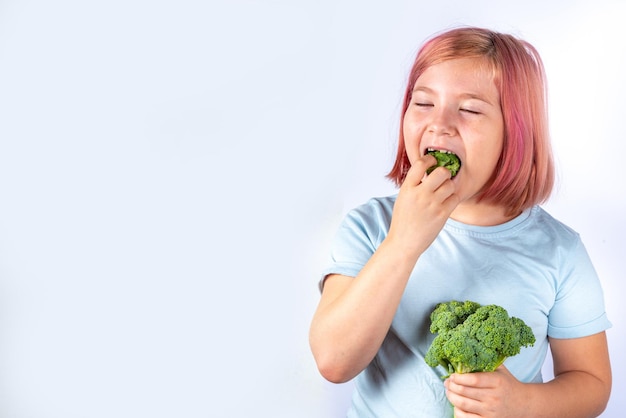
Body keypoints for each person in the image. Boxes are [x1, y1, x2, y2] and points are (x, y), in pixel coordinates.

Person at [309, 27, 612, 418]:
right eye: (423, 103)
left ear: (515, 134)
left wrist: (523, 403)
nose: (440, 124)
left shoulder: (560, 251)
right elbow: (334, 361)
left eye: (469, 109)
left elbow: (592, 383)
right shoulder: (370, 226)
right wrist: (403, 243)